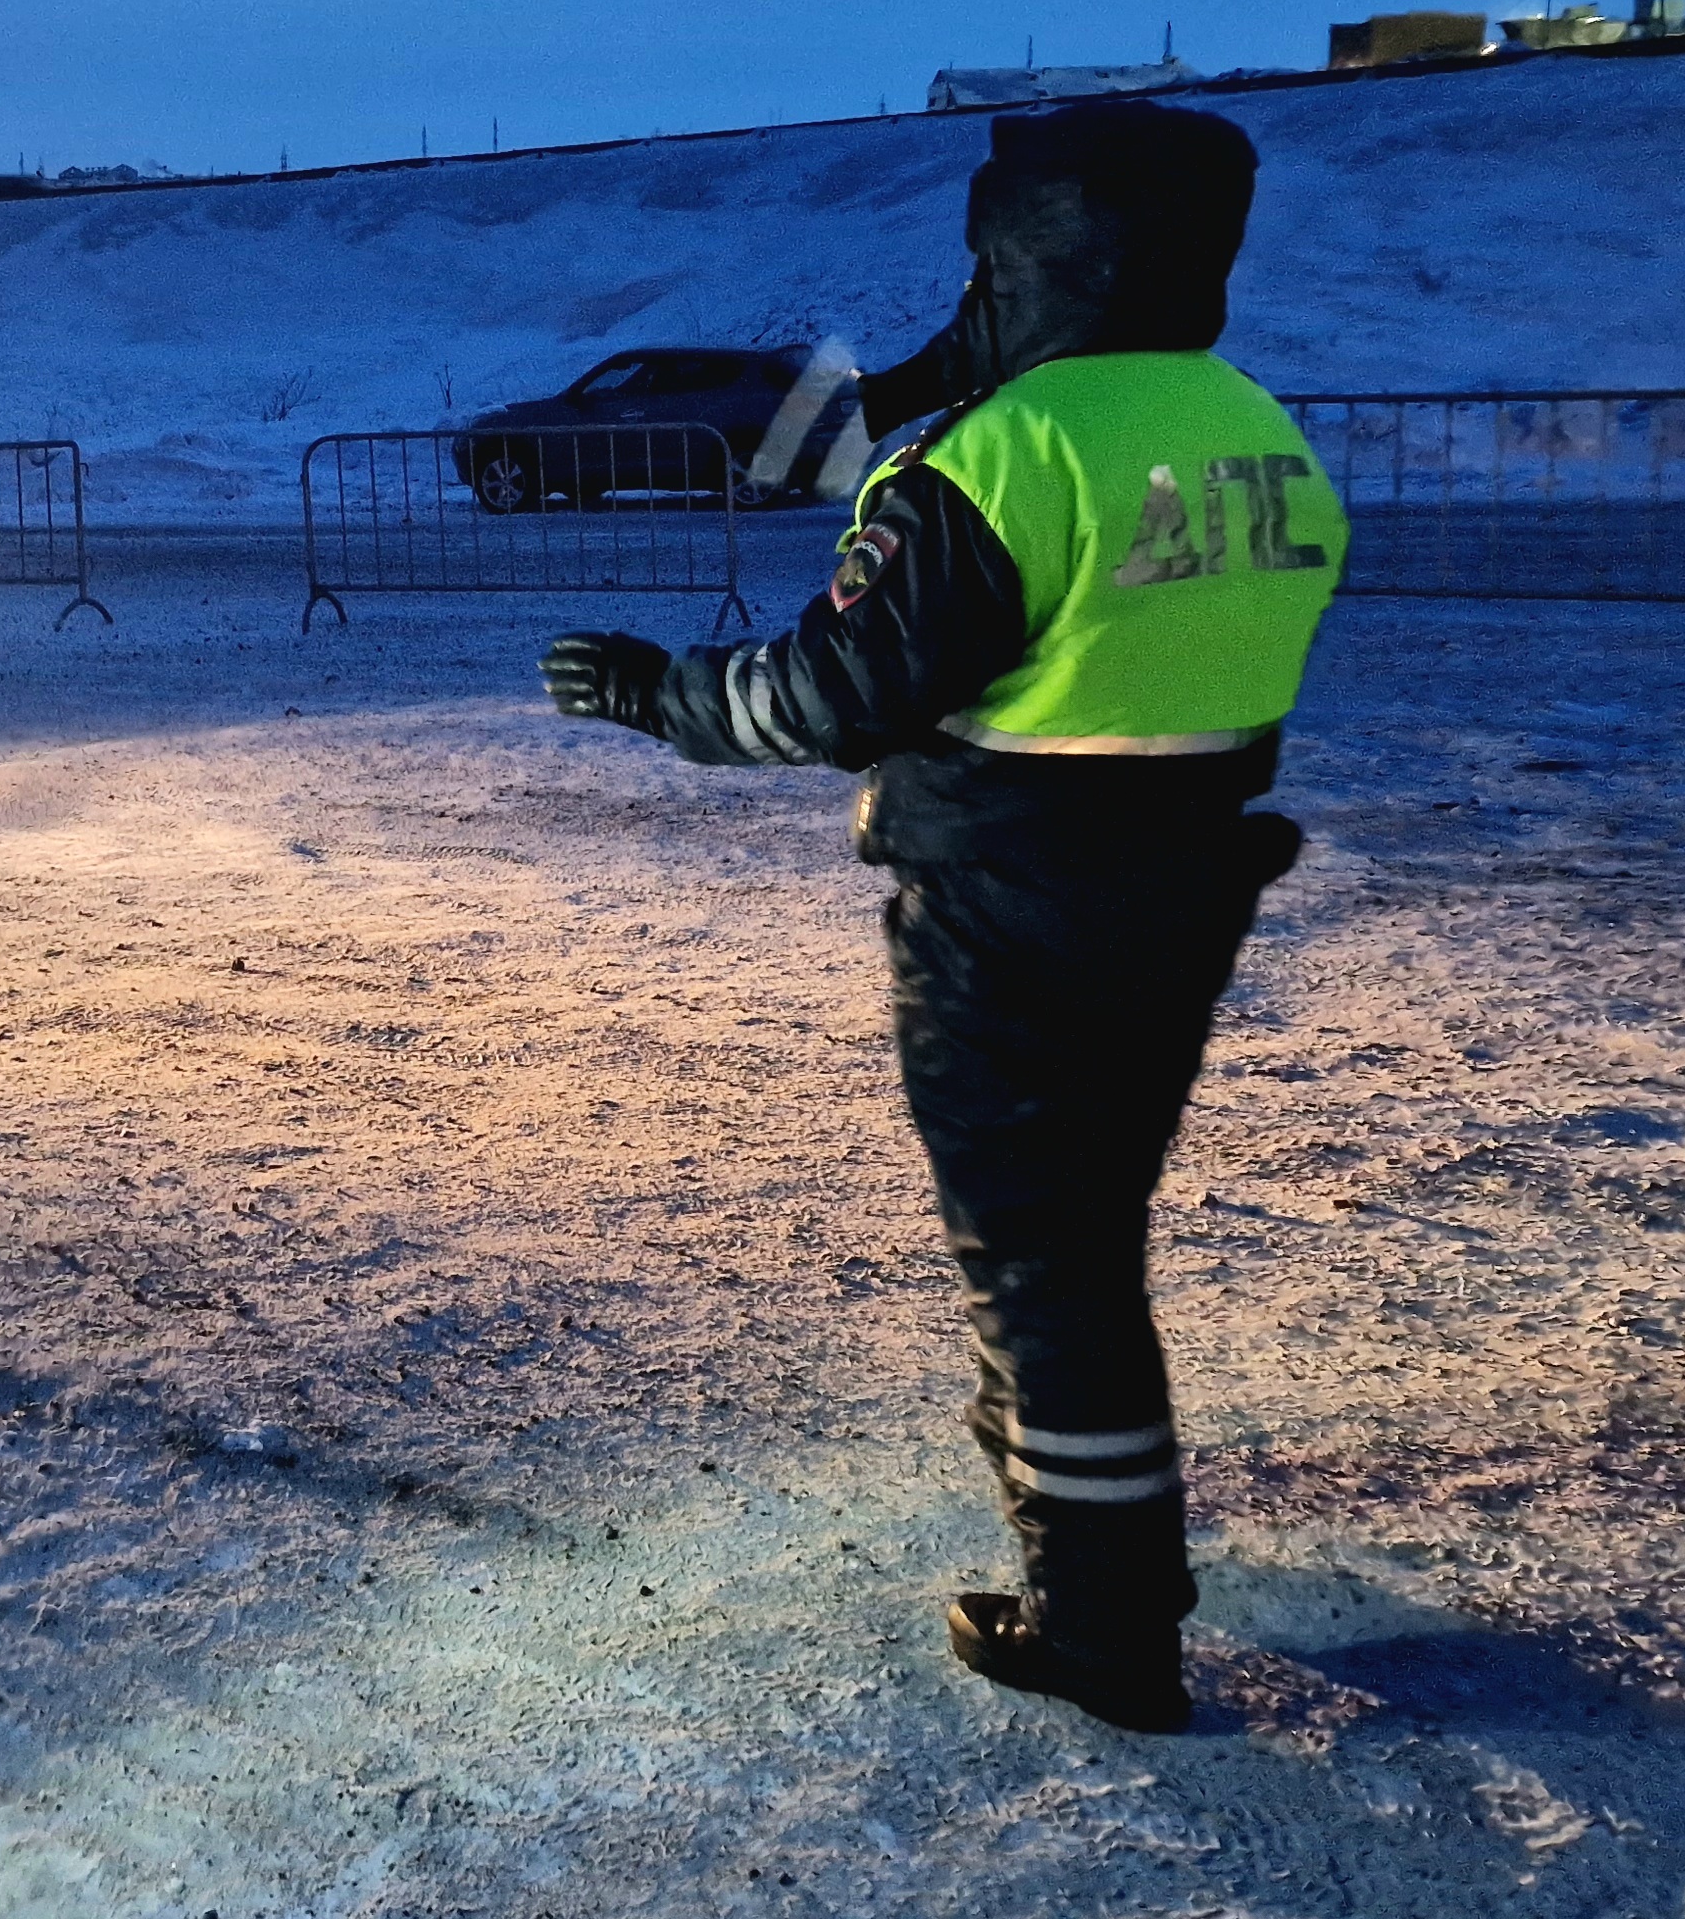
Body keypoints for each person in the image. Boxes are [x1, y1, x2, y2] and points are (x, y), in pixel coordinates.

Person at [538, 101, 1341, 1734]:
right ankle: (1110, 1552)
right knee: (1081, 1242)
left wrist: (653, 693)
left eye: (982, 267)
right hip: (1186, 883)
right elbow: (797, 449)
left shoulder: (1006, 455)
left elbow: (835, 693)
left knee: (1046, 1269)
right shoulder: (1246, 425)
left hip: (1009, 899)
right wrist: (935, 372)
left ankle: (1105, 1623)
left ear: (1019, 255)